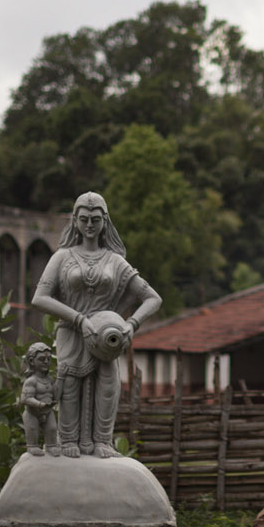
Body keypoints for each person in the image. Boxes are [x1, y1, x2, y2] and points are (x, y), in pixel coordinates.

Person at [32, 192, 161, 458]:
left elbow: (152, 298)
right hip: (72, 331)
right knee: (69, 386)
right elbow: (40, 298)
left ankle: (103, 441)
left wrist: (131, 324)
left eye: (95, 219)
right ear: (75, 221)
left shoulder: (114, 260)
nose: (90, 225)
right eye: (84, 219)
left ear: (105, 221)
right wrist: (79, 319)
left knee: (108, 385)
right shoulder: (62, 257)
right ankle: (68, 440)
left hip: (106, 335)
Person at [20, 342, 58, 456]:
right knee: (32, 429)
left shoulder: (50, 380)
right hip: (32, 413)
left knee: (52, 428)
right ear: (32, 361)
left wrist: (61, 379)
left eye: (48, 359)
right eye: (42, 359)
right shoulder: (31, 381)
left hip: (48, 411)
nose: (46, 362)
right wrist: (40, 404)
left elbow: (56, 395)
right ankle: (32, 446)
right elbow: (25, 399)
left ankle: (51, 446)